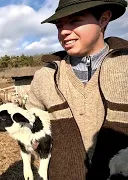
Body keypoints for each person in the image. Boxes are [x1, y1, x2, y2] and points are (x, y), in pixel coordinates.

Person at [25, 0, 128, 179]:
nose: (63, 31)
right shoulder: (45, 77)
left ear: (103, 20)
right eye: (59, 25)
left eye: (75, 21)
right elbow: (30, 124)